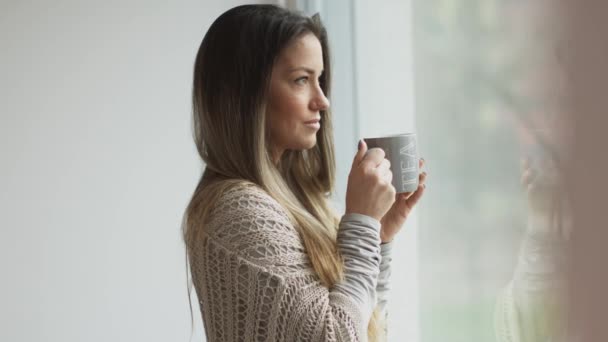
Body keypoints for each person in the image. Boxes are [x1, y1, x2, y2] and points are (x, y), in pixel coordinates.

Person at [181, 4, 427, 342]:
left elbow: (363, 331)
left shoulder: (294, 200)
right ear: (245, 93)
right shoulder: (240, 210)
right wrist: (361, 223)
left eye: (320, 79)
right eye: (301, 80)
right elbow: (336, 337)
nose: (323, 100)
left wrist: (378, 239)